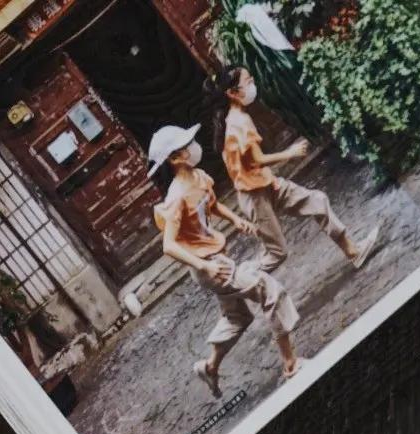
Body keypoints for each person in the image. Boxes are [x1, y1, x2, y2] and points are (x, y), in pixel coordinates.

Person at [147, 122, 302, 397]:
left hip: (217, 257)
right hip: (209, 266)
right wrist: (204, 265)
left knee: (237, 317)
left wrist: (235, 219)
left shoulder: (199, 177)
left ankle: (209, 367)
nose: (194, 147)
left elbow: (212, 204)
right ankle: (291, 364)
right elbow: (168, 245)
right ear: (174, 158)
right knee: (268, 290)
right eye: (187, 145)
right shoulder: (176, 197)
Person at [208, 65, 380, 275]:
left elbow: (251, 164)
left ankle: (354, 252)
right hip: (254, 197)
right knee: (277, 253)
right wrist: (290, 152)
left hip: (266, 184)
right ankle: (241, 278)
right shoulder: (238, 123)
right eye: (248, 82)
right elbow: (258, 159)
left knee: (318, 201)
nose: (253, 85)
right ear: (232, 93)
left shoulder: (237, 118)